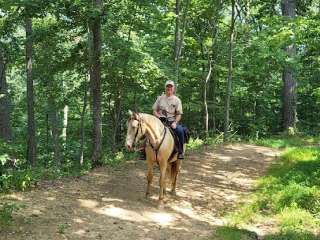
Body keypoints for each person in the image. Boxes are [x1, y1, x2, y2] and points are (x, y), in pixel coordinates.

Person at [152, 80, 185, 159]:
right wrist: (159, 116)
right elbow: (154, 110)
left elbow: (179, 114)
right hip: (160, 121)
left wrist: (175, 122)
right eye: (167, 86)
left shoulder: (177, 100)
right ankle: (143, 151)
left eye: (171, 86)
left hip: (172, 121)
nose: (169, 88)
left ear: (173, 88)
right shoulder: (160, 98)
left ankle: (180, 151)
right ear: (165, 88)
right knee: (148, 129)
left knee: (180, 130)